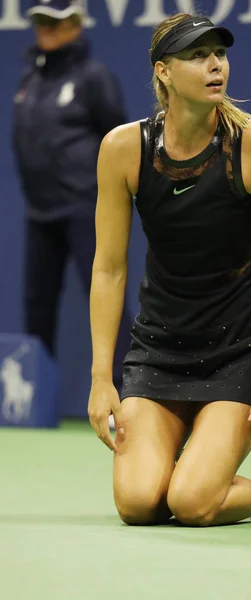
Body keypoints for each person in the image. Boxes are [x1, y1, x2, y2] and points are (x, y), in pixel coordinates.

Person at [88, 13, 251, 527]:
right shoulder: (124, 149)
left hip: (241, 350)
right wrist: (103, 379)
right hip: (160, 349)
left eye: (220, 54)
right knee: (138, 503)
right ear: (163, 72)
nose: (215, 65)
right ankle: (195, 457)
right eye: (196, 55)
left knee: (191, 504)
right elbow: (108, 269)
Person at [12, 0, 132, 392]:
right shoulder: (30, 78)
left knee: (105, 294)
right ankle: (34, 397)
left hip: (86, 206)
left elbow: (118, 140)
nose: (45, 29)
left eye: (55, 22)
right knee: (36, 303)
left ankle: (127, 391)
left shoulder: (94, 78)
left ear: (77, 25)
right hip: (40, 210)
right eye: (40, 21)